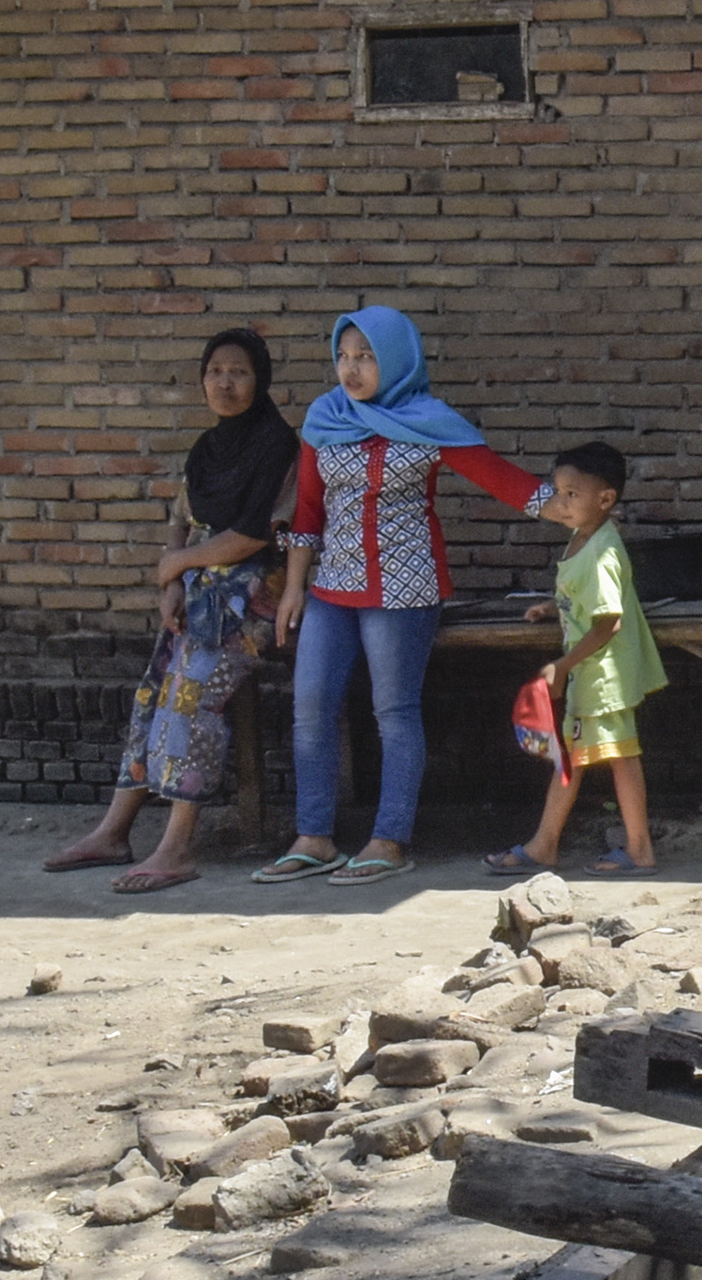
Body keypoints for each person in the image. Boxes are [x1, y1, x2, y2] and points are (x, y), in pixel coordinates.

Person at [256, 306, 547, 886]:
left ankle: (389, 838)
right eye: (344, 355)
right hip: (331, 590)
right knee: (310, 707)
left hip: (405, 588)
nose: (351, 369)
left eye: (366, 356)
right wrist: (293, 588)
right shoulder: (325, 418)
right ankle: (313, 837)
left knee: (393, 712)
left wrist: (574, 512)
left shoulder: (426, 420)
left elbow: (499, 478)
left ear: (395, 360)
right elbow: (308, 513)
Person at [46, 328, 297, 893]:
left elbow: (255, 536)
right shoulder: (207, 450)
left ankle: (178, 845)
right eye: (214, 372)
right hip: (201, 592)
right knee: (151, 695)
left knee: (191, 696)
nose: (224, 382)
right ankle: (114, 830)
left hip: (254, 599)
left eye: (238, 372)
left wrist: (178, 563)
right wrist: (172, 581)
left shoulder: (279, 447)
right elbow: (181, 519)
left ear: (261, 382)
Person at [489, 442, 668, 878]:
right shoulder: (583, 538)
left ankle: (636, 849)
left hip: (603, 677)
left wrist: (563, 665)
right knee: (574, 756)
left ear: (606, 499)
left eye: (572, 494)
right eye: (558, 492)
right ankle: (545, 844)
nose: (561, 503)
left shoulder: (603, 551)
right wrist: (557, 608)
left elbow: (609, 622)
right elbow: (587, 600)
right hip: (593, 676)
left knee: (616, 757)